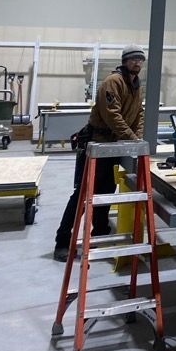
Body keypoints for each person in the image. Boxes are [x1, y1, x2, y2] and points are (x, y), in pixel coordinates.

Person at [53, 44, 146, 262]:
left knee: (106, 189)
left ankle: (101, 231)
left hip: (114, 145)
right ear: (124, 61)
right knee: (83, 193)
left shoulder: (136, 85)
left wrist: (137, 137)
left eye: (140, 60)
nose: (137, 63)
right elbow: (112, 116)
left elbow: (139, 113)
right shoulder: (113, 82)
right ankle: (62, 241)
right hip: (97, 144)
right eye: (133, 59)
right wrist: (132, 140)